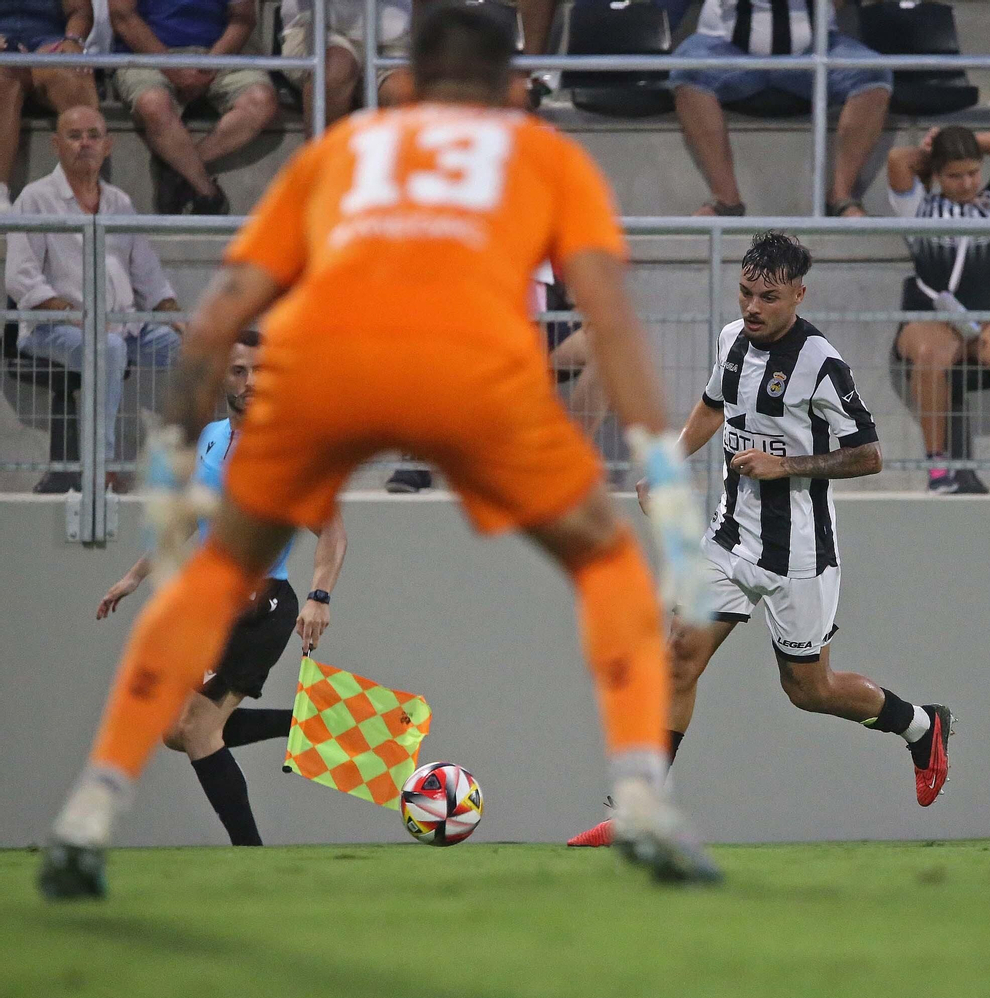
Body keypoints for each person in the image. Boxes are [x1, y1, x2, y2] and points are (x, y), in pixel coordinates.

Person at [38, 3, 721, 899]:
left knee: (202, 582)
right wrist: (662, 481)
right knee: (606, 566)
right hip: (474, 379)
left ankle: (89, 813)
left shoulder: (342, 152)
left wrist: (168, 460)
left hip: (330, 379)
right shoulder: (545, 156)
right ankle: (642, 802)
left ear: (406, 82)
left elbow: (222, 312)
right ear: (512, 86)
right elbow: (614, 323)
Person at [566, 232, 954, 848]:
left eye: (767, 297)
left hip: (798, 553)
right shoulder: (732, 341)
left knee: (809, 689)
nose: (752, 307)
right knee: (676, 657)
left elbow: (870, 455)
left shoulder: (820, 363)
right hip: (729, 537)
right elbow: (714, 405)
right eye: (746, 292)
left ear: (799, 294)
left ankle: (919, 726)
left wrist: (789, 464)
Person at [95, 328, 348, 847]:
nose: (251, 381)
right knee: (174, 730)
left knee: (197, 728)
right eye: (239, 371)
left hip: (263, 605)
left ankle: (250, 857)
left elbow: (333, 533)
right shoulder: (211, 436)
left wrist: (321, 597)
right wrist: (134, 575)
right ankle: (313, 722)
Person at [5, 105, 185, 495]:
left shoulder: (119, 201)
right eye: (74, 136)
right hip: (50, 331)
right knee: (108, 349)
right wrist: (76, 316)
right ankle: (98, 471)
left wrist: (175, 315)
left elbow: (149, 276)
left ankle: (210, 462)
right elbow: (21, 279)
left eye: (92, 135)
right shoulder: (36, 198)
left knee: (191, 347)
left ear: (108, 145)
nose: (84, 143)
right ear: (56, 145)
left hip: (122, 326)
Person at [887, 127, 990, 495]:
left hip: (989, 318)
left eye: (973, 171)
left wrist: (960, 137)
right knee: (930, 355)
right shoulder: (919, 208)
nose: (966, 182)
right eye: (954, 175)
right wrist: (934, 149)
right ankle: (938, 464)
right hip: (931, 318)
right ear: (938, 174)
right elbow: (896, 160)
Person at [384, 264, 606, 493]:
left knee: (607, 347)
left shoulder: (554, 240)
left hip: (547, 332)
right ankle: (418, 460)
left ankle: (567, 463)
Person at [667, 0, 890, 217]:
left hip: (816, 48)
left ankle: (840, 197)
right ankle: (725, 198)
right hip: (726, 44)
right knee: (687, 71)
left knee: (874, 75)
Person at [107, 0, 279, 214]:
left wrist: (210, 67)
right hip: (146, 53)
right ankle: (208, 192)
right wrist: (172, 68)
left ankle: (176, 166)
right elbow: (122, 16)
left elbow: (243, 18)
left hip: (219, 53)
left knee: (261, 101)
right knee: (152, 104)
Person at [0, 0, 98, 208]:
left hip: (48, 45)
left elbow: (80, 11)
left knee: (73, 76)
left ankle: (83, 193)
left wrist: (72, 40)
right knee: (3, 72)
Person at [278, 0, 413, 125]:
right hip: (318, 24)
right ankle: (323, 149)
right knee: (336, 69)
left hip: (397, 35)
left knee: (406, 93)